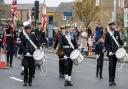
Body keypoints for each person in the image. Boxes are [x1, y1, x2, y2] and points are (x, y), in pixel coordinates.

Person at [105, 21, 123, 86]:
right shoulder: (107, 34)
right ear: (110, 26)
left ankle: (113, 80)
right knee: (111, 66)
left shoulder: (117, 33)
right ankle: (110, 80)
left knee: (114, 66)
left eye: (114, 25)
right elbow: (106, 44)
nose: (114, 26)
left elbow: (119, 41)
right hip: (111, 53)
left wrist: (123, 43)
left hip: (116, 53)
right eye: (113, 25)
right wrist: (109, 51)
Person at [20, 22, 38, 86]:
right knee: (26, 67)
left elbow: (36, 44)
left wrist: (40, 47)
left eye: (30, 29)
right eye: (27, 29)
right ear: (25, 30)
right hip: (25, 56)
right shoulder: (23, 37)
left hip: (32, 55)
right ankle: (25, 81)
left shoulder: (33, 36)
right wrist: (25, 52)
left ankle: (30, 81)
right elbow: (21, 46)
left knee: (31, 69)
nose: (29, 30)